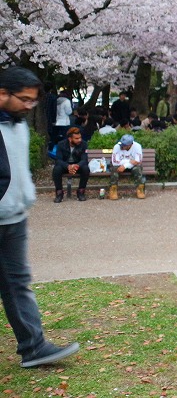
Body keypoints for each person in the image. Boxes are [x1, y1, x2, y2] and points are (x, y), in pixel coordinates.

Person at [0, 66, 81, 368]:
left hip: (14, 218)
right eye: (24, 99)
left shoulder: (19, 125)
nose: (29, 106)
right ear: (2, 94)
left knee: (18, 284)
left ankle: (33, 348)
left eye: (33, 100)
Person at [52, 127, 90, 203]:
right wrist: (68, 166)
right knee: (57, 169)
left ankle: (81, 192)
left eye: (80, 137)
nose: (79, 140)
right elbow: (58, 160)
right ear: (70, 139)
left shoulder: (83, 144)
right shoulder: (61, 144)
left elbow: (84, 159)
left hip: (77, 165)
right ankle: (59, 193)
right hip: (65, 166)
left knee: (86, 169)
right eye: (76, 138)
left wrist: (76, 166)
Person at [109, 133, 146, 200]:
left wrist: (125, 165)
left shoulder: (137, 146)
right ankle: (113, 189)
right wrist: (130, 161)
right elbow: (115, 162)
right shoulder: (117, 146)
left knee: (137, 168)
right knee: (114, 169)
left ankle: (140, 189)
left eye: (124, 145)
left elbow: (138, 161)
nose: (121, 146)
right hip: (119, 166)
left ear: (129, 145)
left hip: (131, 166)